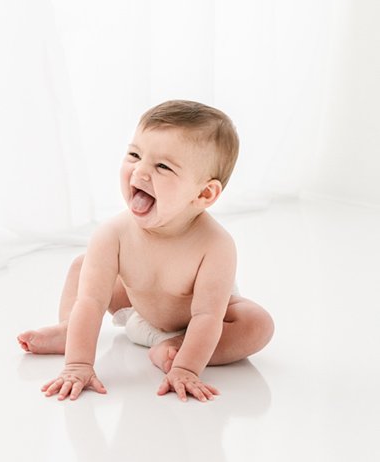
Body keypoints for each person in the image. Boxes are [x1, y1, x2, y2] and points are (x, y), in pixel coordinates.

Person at [17, 99, 274, 403]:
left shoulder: (215, 245)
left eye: (162, 166)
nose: (139, 172)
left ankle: (175, 348)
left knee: (258, 324)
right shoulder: (113, 234)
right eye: (135, 155)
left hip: (192, 326)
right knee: (82, 267)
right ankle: (68, 331)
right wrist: (78, 365)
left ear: (204, 193)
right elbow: (91, 301)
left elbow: (207, 316)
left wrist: (186, 368)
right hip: (136, 308)